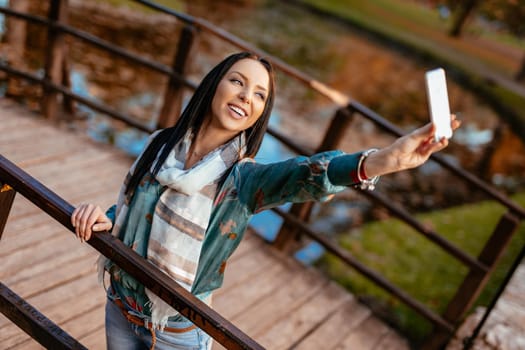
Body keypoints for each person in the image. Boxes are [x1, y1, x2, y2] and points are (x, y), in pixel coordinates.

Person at [71, 51, 460, 350]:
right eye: (237, 81)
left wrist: (383, 160)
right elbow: (133, 212)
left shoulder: (244, 180)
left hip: (176, 331)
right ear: (214, 85)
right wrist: (104, 218)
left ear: (260, 113)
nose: (246, 96)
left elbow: (305, 175)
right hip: (121, 307)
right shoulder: (160, 145)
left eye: (259, 94)